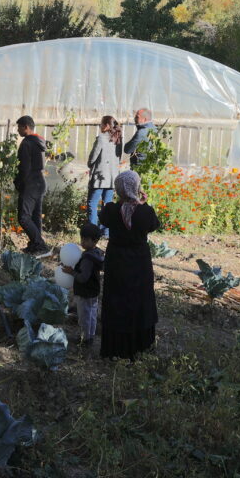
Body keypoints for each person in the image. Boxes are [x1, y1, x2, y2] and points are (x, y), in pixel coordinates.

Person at [99, 170, 159, 359]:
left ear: (118, 189)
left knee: (117, 300)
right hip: (139, 261)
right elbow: (153, 224)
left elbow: (104, 218)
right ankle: (139, 347)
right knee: (140, 299)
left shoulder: (110, 210)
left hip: (116, 261)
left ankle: (116, 349)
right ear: (136, 187)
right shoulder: (145, 212)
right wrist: (143, 203)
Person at [63, 223, 104, 348]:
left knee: (84, 317)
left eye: (86, 240)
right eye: (82, 239)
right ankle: (89, 336)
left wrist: (72, 272)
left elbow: (82, 277)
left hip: (85, 292)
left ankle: (85, 339)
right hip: (93, 291)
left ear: (95, 241)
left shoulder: (87, 258)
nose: (82, 242)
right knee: (91, 315)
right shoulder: (97, 253)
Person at [14, 115, 51, 258]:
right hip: (40, 182)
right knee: (35, 217)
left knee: (23, 217)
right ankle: (35, 246)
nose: (18, 130)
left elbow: (24, 168)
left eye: (19, 127)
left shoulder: (27, 143)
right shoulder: (40, 141)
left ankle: (40, 245)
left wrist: (18, 183)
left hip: (29, 184)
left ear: (26, 127)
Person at [86, 115, 122, 233]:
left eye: (101, 124)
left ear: (106, 126)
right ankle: (105, 232)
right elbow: (118, 158)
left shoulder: (101, 138)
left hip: (100, 177)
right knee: (108, 205)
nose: (100, 126)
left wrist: (90, 164)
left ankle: (92, 231)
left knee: (92, 203)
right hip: (112, 178)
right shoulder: (118, 139)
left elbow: (93, 157)